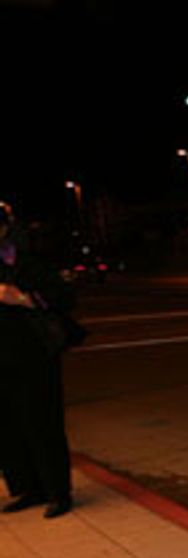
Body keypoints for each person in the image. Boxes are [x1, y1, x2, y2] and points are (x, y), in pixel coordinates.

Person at [0, 200, 75, 518]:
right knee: (8, 427)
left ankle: (58, 491)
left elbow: (64, 297)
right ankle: (28, 488)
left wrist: (25, 299)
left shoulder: (30, 261)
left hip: (32, 355)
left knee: (42, 423)